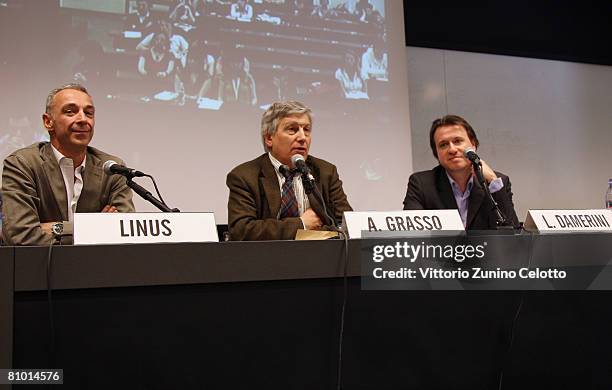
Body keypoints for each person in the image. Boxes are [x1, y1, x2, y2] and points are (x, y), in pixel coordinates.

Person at [1, 83, 134, 245]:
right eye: (70, 112)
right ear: (48, 122)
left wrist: (57, 228)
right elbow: (21, 236)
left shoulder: (112, 168)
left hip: (98, 269)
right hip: (37, 268)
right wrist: (96, 228)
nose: (83, 119)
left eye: (89, 113)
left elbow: (124, 232)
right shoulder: (23, 164)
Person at [226, 101, 352, 240]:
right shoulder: (245, 176)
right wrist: (301, 224)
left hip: (319, 257)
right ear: (269, 138)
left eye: (307, 130)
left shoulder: (325, 172)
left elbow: (347, 224)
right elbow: (242, 230)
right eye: (292, 129)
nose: (302, 138)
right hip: (265, 258)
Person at [403, 115, 519, 229]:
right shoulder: (421, 184)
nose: (452, 149)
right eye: (443, 145)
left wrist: (493, 181)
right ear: (436, 153)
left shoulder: (498, 182)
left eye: (457, 141)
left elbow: (513, 232)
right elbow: (411, 235)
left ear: (473, 145)